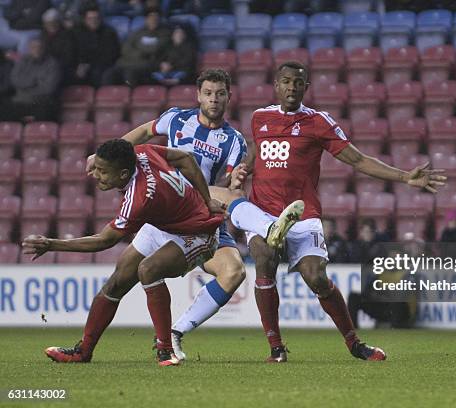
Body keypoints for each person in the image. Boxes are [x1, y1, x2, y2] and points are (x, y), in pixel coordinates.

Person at [229, 61, 446, 362]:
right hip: (263, 212)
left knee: (315, 277)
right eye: (286, 81)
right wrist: (241, 170)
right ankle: (276, 348)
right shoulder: (259, 118)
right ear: (276, 86)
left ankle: (354, 343)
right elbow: (255, 154)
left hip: (302, 214)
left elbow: (357, 160)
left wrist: (404, 176)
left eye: (298, 82)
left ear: (306, 88)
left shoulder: (319, 122)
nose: (292, 87)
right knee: (264, 258)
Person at [83, 68, 304, 361]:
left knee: (234, 271)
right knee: (118, 281)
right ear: (199, 95)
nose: (214, 100)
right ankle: (83, 349)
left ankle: (174, 334)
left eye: (220, 94)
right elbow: (146, 131)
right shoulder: (177, 118)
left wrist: (236, 181)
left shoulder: (233, 140)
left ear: (229, 97)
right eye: (209, 93)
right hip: (162, 215)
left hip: (200, 214)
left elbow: (226, 185)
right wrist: (105, 158)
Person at [23, 139, 227, 366]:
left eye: (102, 171)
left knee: (148, 269)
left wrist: (51, 244)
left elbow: (104, 240)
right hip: (163, 224)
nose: (96, 175)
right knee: (115, 284)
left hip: (199, 232)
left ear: (122, 174)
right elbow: (185, 158)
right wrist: (207, 199)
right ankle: (83, 352)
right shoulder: (142, 152)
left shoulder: (138, 198)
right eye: (96, 168)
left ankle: (166, 350)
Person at [102, 7, 171, 86]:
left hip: (147, 65)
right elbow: (125, 49)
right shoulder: (137, 32)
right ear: (146, 19)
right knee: (108, 75)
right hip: (126, 63)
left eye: (156, 17)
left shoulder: (165, 33)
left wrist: (138, 46)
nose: (153, 19)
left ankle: (128, 97)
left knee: (129, 75)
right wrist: (142, 51)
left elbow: (154, 49)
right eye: (150, 17)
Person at [0, 37, 61, 121]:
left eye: (39, 47)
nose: (37, 50)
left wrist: (24, 88)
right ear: (29, 49)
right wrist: (34, 81)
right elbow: (15, 80)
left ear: (44, 48)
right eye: (33, 47)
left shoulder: (52, 63)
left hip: (40, 101)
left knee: (47, 109)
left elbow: (48, 88)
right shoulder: (22, 61)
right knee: (4, 109)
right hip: (20, 100)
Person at [73, 4, 120, 87]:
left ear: (100, 18)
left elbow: (112, 55)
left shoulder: (109, 32)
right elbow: (75, 51)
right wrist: (81, 64)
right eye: (90, 18)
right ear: (84, 20)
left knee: (97, 73)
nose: (93, 21)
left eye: (96, 18)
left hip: (103, 65)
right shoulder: (78, 32)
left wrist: (89, 64)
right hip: (82, 64)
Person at [40, 8, 77, 85]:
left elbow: (68, 58)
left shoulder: (67, 36)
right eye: (49, 23)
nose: (52, 25)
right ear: (44, 25)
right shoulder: (42, 36)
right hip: (46, 67)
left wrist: (52, 65)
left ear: (59, 23)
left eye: (54, 22)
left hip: (62, 68)